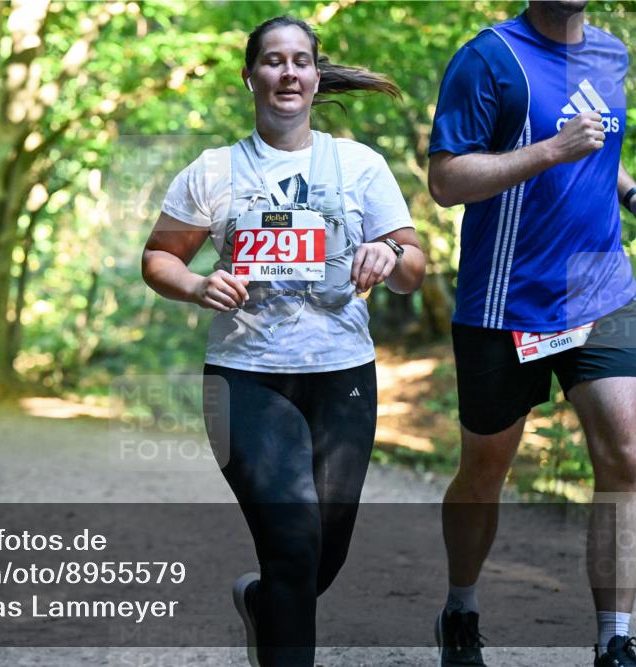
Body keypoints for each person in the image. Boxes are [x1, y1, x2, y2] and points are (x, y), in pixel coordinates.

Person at [141, 15, 425, 666]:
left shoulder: (360, 166)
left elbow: (413, 269)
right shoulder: (212, 171)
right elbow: (159, 256)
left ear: (316, 76)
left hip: (343, 375)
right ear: (251, 77)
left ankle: (267, 604)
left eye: (300, 60)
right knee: (294, 541)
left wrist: (387, 252)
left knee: (322, 551)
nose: (287, 72)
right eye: (273, 60)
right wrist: (194, 284)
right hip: (244, 375)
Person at [427, 2, 636, 666]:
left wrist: (630, 191)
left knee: (628, 454)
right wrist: (549, 150)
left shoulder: (611, 54)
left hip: (598, 283)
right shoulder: (488, 58)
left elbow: (598, 154)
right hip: (506, 297)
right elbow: (446, 178)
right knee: (485, 468)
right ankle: (461, 606)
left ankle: (617, 636)